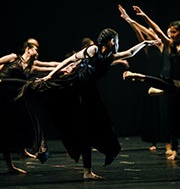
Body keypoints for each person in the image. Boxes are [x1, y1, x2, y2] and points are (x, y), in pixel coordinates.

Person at [17, 28, 158, 180]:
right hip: (73, 87)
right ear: (111, 41)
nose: (118, 44)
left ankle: (87, 171)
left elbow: (129, 53)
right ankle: (16, 91)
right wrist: (50, 76)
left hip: (89, 95)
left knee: (92, 129)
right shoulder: (93, 49)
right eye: (117, 41)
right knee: (42, 91)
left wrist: (144, 43)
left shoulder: (110, 57)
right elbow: (70, 60)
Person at [132, 5, 180, 160]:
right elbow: (156, 29)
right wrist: (143, 15)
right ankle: (174, 149)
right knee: (173, 116)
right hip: (174, 85)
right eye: (170, 31)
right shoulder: (169, 44)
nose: (171, 34)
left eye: (174, 32)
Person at [0, 38, 59, 174]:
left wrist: (68, 65)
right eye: (36, 50)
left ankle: (11, 165)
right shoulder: (13, 57)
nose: (38, 53)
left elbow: (51, 65)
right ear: (28, 49)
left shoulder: (32, 67)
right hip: (2, 94)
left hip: (12, 100)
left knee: (7, 131)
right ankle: (11, 164)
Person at [118, 4, 172, 153]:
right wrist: (130, 22)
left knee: (164, 112)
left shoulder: (164, 45)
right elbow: (140, 35)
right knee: (153, 112)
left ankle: (169, 143)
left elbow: (153, 33)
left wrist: (130, 19)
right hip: (150, 78)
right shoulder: (149, 47)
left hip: (162, 79)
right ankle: (154, 140)